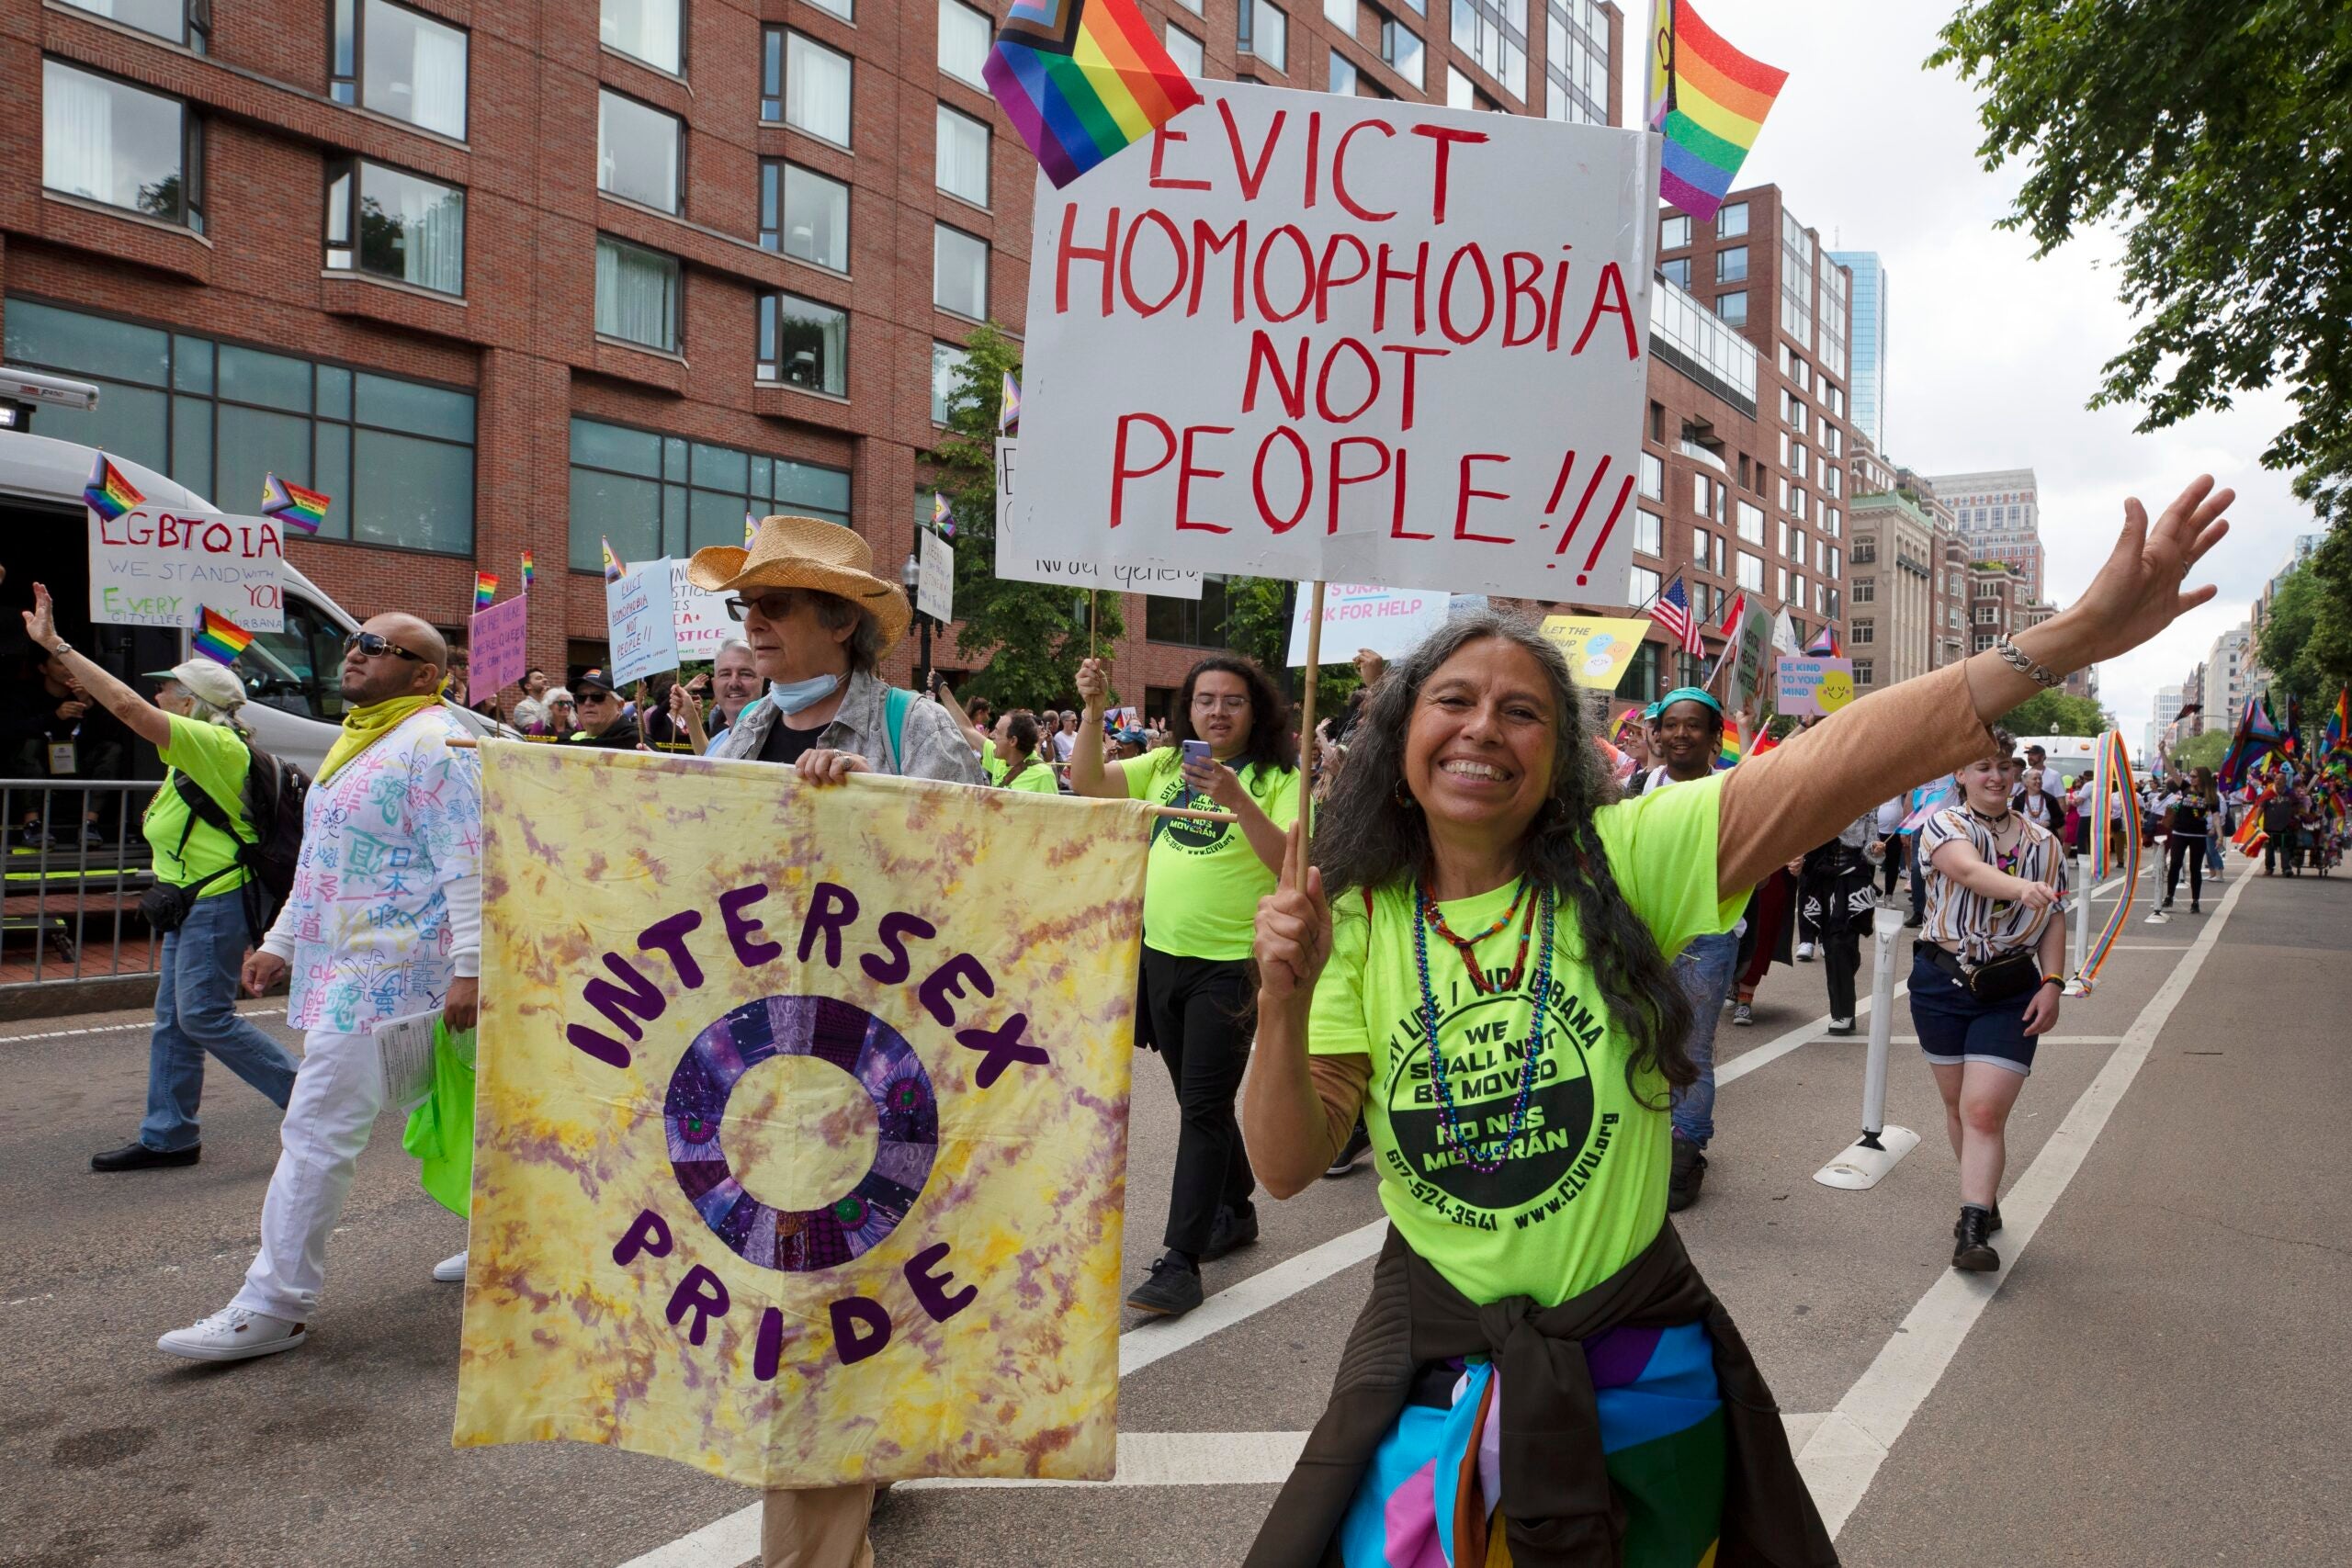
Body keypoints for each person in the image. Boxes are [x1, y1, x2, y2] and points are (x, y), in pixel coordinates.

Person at [1238, 476, 2230, 1562]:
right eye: (1454, 702)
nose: (1485, 729)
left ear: (1557, 756)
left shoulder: (1623, 856)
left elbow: (1834, 761)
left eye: (1521, 710)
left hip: (1638, 1372)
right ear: (1398, 738)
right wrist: (1279, 1006)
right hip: (1431, 1375)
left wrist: (2071, 635)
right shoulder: (1355, 917)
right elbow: (1288, 1166)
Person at [682, 514, 978, 1568]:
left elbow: (979, 886)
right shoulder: (737, 739)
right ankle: (853, 1465)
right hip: (756, 1067)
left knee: (817, 1321)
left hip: (883, 1075)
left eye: (773, 606)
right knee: (806, 1313)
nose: (751, 625)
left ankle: (814, 1532)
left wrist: (866, 821)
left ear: (840, 625)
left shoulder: (913, 731)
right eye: (744, 607)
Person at [155, 615, 481, 1360]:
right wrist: (281, 942)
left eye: (376, 647)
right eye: (354, 642)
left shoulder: (438, 746)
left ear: (427, 674)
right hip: (351, 970)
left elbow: (469, 863)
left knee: (317, 1129)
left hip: (403, 974)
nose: (354, 653)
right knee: (483, 1116)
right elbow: (322, 862)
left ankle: (274, 1302)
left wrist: (472, 967)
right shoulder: (359, 739)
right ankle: (509, 1238)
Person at [18, 587, 300, 1172]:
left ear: (194, 703)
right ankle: (169, 1135)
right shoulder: (193, 756)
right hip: (188, 903)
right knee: (174, 1020)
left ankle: (309, 1101)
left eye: (168, 687)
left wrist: (59, 647)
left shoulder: (214, 743)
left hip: (216, 903)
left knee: (200, 1015)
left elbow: (124, 707)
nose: (157, 693)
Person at [1070, 651, 1300, 1318]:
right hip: (1160, 957)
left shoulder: (1278, 778)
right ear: (1188, 708)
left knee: (1201, 1104)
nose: (1218, 710)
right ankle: (1234, 1202)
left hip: (1230, 965)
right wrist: (1092, 710)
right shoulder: (1167, 766)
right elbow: (1087, 781)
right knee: (1194, 1093)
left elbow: (1288, 862)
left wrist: (1236, 797)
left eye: (1233, 700)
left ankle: (1181, 1260)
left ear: (1256, 711)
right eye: (1206, 700)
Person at [1911, 737, 2070, 1273]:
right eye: (1982, 767)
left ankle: (1972, 1226)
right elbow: (1969, 871)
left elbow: (2053, 916)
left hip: (2009, 988)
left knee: (1983, 1110)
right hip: (1941, 981)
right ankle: (1983, 1195)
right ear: (1961, 772)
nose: (1996, 777)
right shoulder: (1944, 825)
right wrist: (2021, 888)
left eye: (2005, 767)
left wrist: (2052, 982)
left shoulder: (2045, 842)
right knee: (1958, 1108)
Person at [1623, 688, 1741, 1211]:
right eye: (1670, 725)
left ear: (1715, 738)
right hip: (1644, 931)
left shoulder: (1733, 791)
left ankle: (1687, 1147)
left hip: (1706, 936)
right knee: (1638, 1037)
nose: (1679, 735)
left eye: (1693, 726)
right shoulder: (1638, 786)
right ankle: (1647, 1141)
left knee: (1691, 1046)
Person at [1800, 811, 1880, 1036]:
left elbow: (1870, 849)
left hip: (1853, 881)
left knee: (1840, 945)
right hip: (1823, 880)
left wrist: (1876, 850)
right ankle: (1841, 1011)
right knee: (1834, 947)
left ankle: (1844, 1012)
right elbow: (1806, 840)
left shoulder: (1868, 803)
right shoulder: (1823, 801)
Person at [2160, 767, 2217, 912]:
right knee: (2175, 864)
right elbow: (2173, 772)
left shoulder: (2210, 795)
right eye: (2190, 776)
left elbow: (2216, 816)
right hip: (2180, 832)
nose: (2191, 778)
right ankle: (2169, 896)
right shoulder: (2185, 788)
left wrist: (2220, 836)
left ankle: (2195, 901)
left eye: (2194, 776)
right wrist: (2163, 753)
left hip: (2198, 835)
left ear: (2202, 778)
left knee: (2195, 868)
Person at [562, 671, 641, 749]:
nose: (587, 703)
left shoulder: (636, 743)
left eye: (597, 696)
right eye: (581, 697)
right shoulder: (566, 740)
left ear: (619, 705)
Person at [997, 712, 1060, 795]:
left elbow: (1040, 760)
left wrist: (1048, 742)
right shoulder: (1000, 757)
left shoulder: (1044, 775)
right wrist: (1038, 744)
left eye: (998, 732)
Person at [2262, 785, 2299, 876]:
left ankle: (2286, 868)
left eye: (2281, 780)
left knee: (2285, 848)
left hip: (2285, 827)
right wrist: (2255, 820)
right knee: (2269, 849)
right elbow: (2260, 807)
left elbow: (2297, 806)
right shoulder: (2268, 793)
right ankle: (2269, 868)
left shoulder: (2290, 795)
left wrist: (2294, 815)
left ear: (2285, 782)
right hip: (2270, 826)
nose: (2278, 782)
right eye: (2277, 779)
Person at [510, 668, 551, 733]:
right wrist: (544, 703)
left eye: (544, 678)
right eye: (539, 678)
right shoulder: (523, 707)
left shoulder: (553, 704)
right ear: (528, 686)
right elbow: (537, 732)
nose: (545, 680)